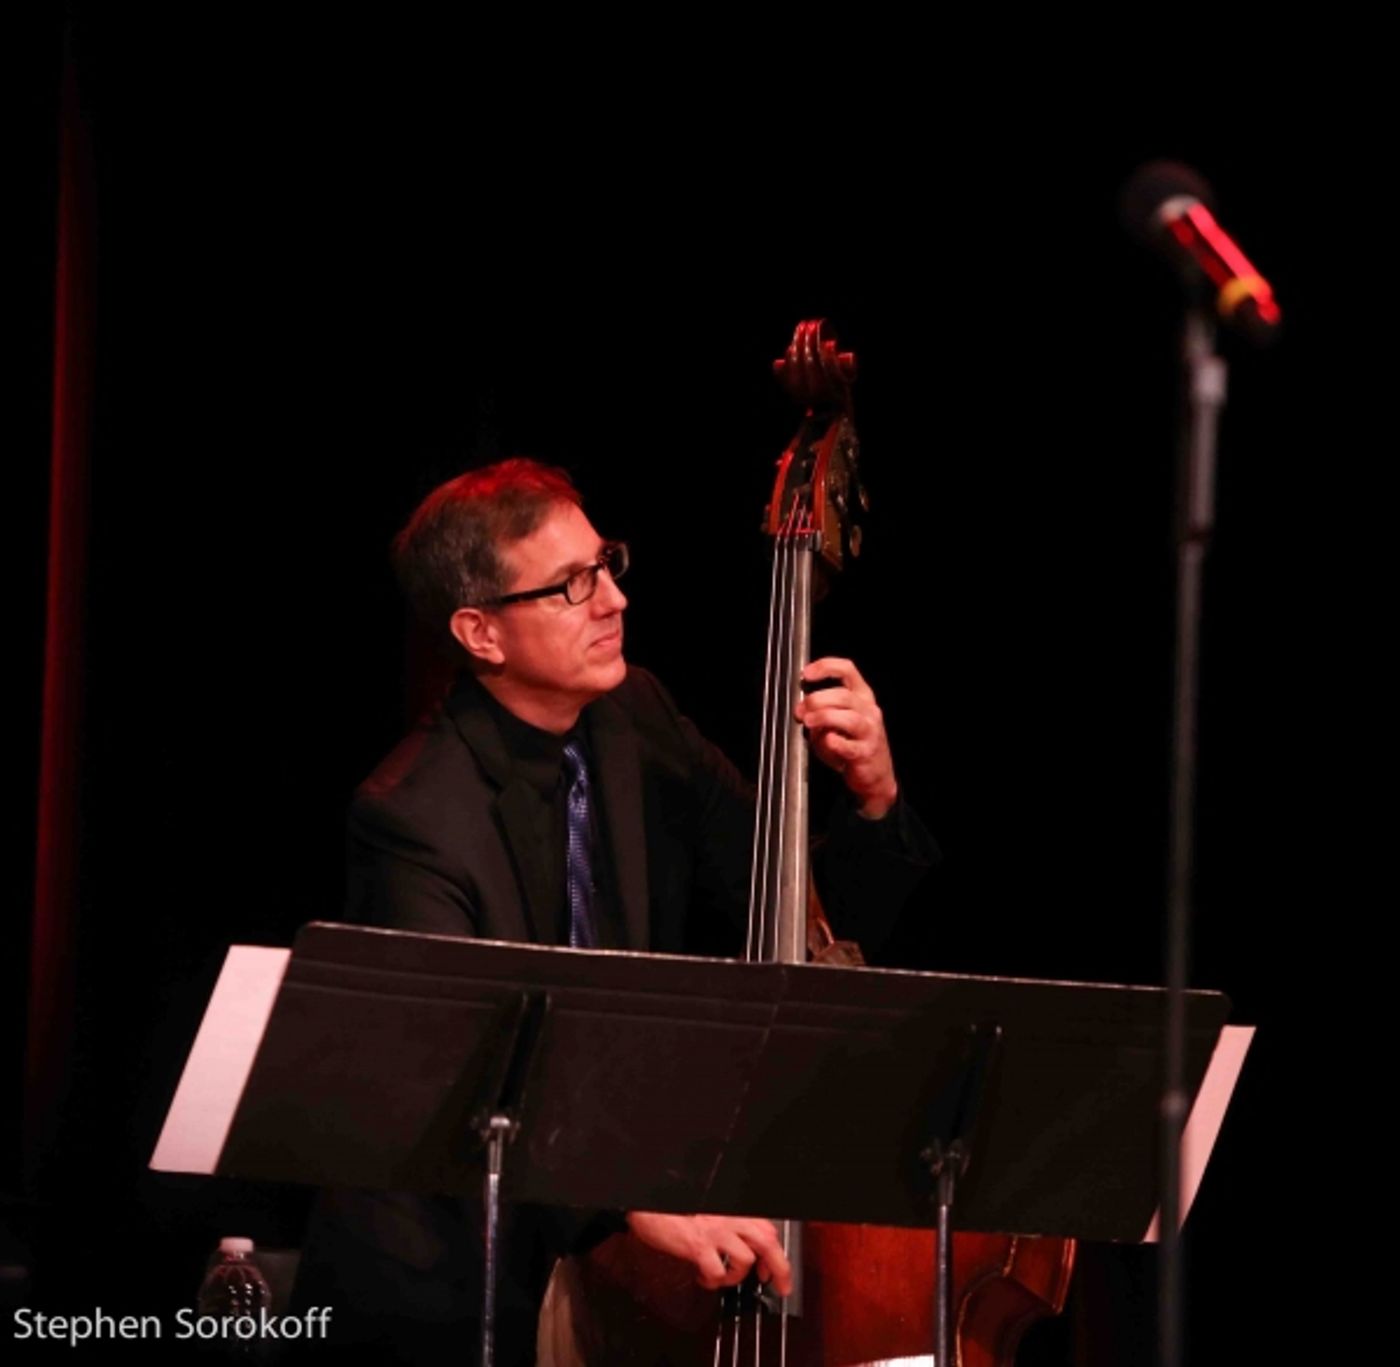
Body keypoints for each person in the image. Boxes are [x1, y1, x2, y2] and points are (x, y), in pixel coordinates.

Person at [294, 459, 936, 1364]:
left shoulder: (636, 715)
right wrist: (628, 1194)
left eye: (606, 565)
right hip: (447, 1284)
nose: (613, 602)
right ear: (480, 633)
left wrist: (872, 796)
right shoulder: (412, 816)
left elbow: (800, 922)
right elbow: (455, 1075)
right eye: (570, 586)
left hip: (610, 1256)